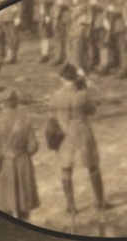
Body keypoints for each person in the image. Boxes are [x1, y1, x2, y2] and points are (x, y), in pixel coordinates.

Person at [52, 64, 108, 213]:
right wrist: (85, 88)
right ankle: (100, 202)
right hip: (82, 131)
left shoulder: (56, 95)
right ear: (76, 79)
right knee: (93, 165)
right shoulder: (82, 95)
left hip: (65, 133)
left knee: (66, 168)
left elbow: (54, 109)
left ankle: (71, 205)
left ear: (62, 79)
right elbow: (92, 110)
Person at [0, 89, 40, 220]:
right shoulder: (26, 122)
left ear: (2, 104)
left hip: (4, 166)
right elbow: (32, 148)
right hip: (22, 163)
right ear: (16, 103)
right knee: (24, 205)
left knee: (4, 205)